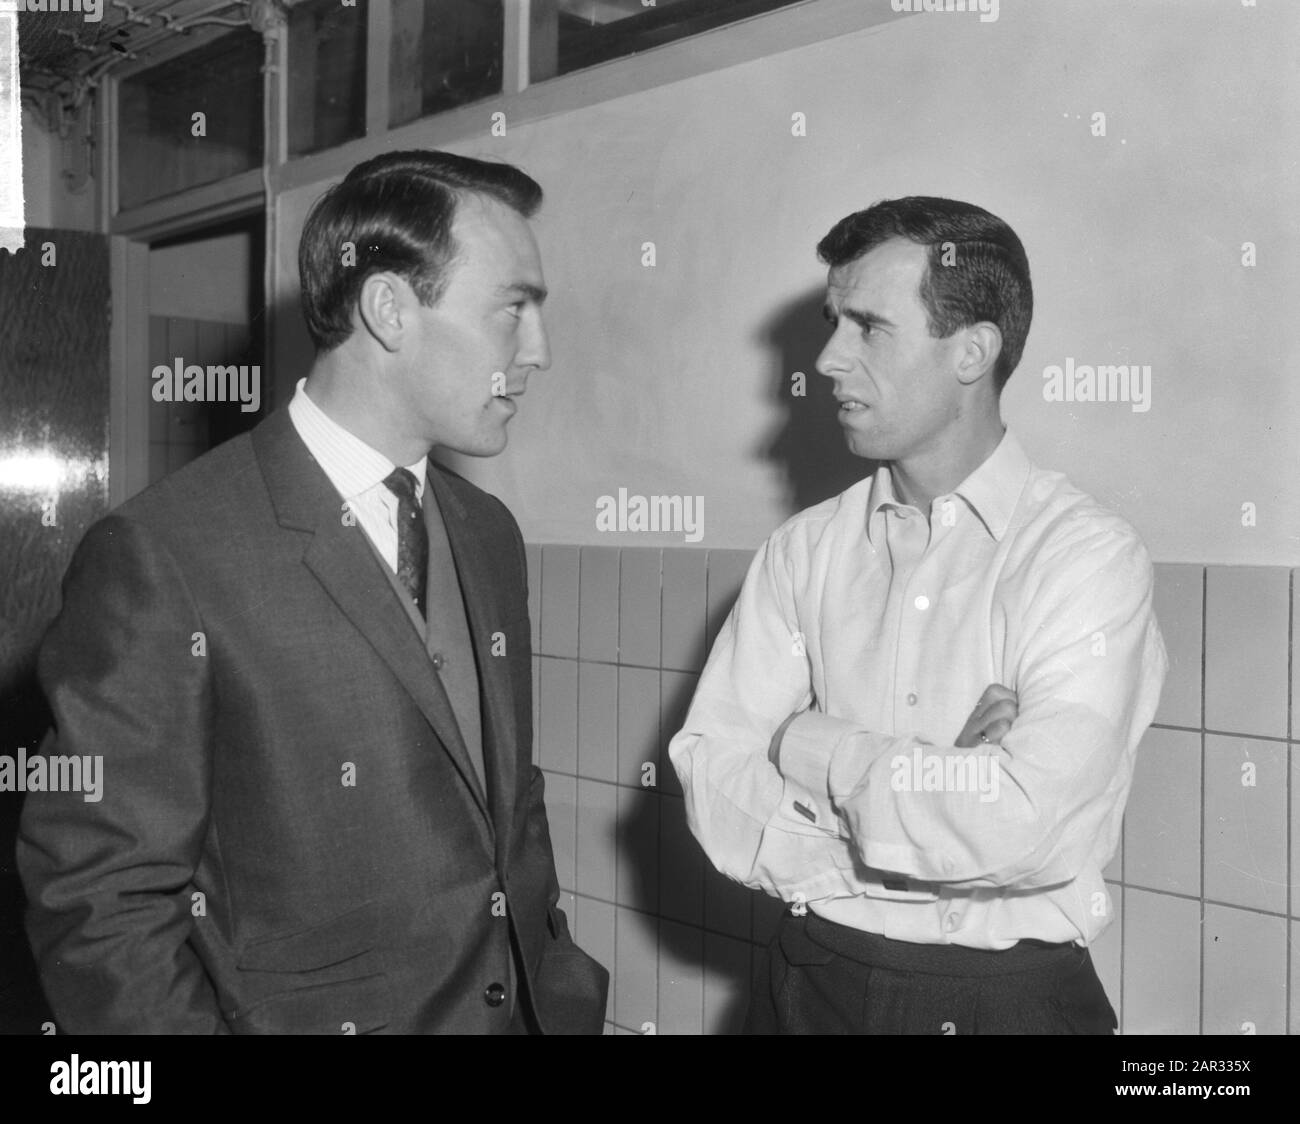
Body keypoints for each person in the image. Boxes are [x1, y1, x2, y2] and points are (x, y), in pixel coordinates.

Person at [17, 150, 608, 1034]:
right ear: (389, 309)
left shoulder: (487, 534)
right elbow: (100, 905)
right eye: (513, 310)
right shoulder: (164, 553)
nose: (540, 351)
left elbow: (505, 810)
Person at [668, 196, 1166, 1035]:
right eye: (834, 322)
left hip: (1007, 1005)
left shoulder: (1086, 558)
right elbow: (711, 776)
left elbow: (1022, 823)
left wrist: (807, 745)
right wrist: (928, 789)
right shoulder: (805, 551)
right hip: (813, 980)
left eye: (867, 327)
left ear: (972, 351)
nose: (827, 359)